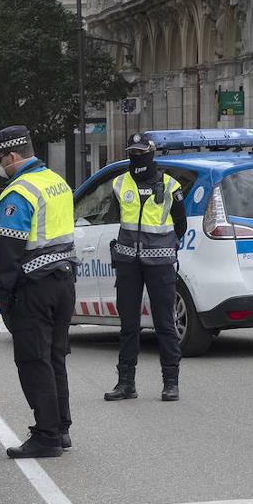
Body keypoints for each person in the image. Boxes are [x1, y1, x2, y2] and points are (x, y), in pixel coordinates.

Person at [0, 125, 78, 459]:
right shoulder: (56, 182)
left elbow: (8, 253)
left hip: (34, 288)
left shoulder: (18, 193)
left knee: (33, 361)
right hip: (64, 282)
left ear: (11, 156)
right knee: (55, 358)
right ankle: (61, 428)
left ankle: (47, 436)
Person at [104, 133, 187, 403]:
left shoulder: (170, 185)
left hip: (160, 263)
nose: (137, 156)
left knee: (165, 323)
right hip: (128, 262)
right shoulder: (119, 183)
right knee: (128, 325)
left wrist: (166, 246)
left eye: (141, 151)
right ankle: (126, 383)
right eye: (133, 151)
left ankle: (170, 383)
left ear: (152, 152)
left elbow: (180, 224)